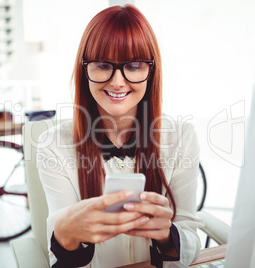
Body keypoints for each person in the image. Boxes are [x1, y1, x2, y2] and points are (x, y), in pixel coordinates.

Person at [37, 4, 203, 268]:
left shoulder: (181, 137)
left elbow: (191, 244)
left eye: (134, 65)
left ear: (151, 71)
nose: (117, 81)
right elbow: (60, 260)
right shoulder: (53, 146)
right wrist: (66, 234)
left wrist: (166, 235)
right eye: (103, 65)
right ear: (85, 69)